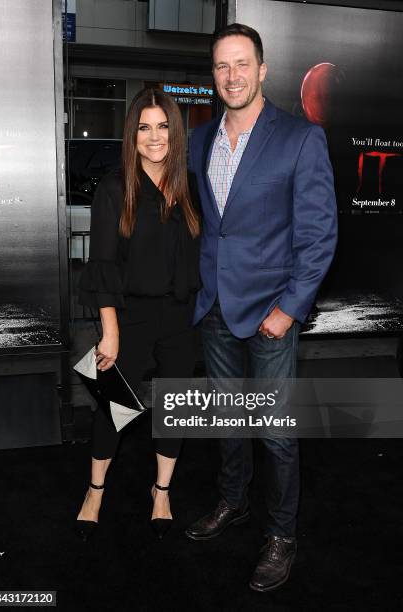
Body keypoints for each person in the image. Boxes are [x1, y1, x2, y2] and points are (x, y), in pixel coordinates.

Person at [185, 23, 337, 591]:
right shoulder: (199, 141)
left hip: (272, 314)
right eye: (222, 66)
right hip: (216, 309)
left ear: (263, 69)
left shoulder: (300, 138)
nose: (232, 76)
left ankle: (281, 535)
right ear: (214, 75)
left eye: (242, 64)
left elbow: (319, 235)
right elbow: (208, 226)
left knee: (274, 433)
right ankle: (233, 502)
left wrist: (291, 309)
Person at [75, 88, 200, 541]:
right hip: (128, 317)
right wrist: (109, 332)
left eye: (163, 126)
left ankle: (161, 490)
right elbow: (103, 265)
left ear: (174, 132)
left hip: (181, 316)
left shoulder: (189, 185)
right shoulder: (114, 189)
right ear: (133, 135)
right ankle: (95, 490)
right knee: (113, 408)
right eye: (144, 127)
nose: (154, 137)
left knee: (175, 406)